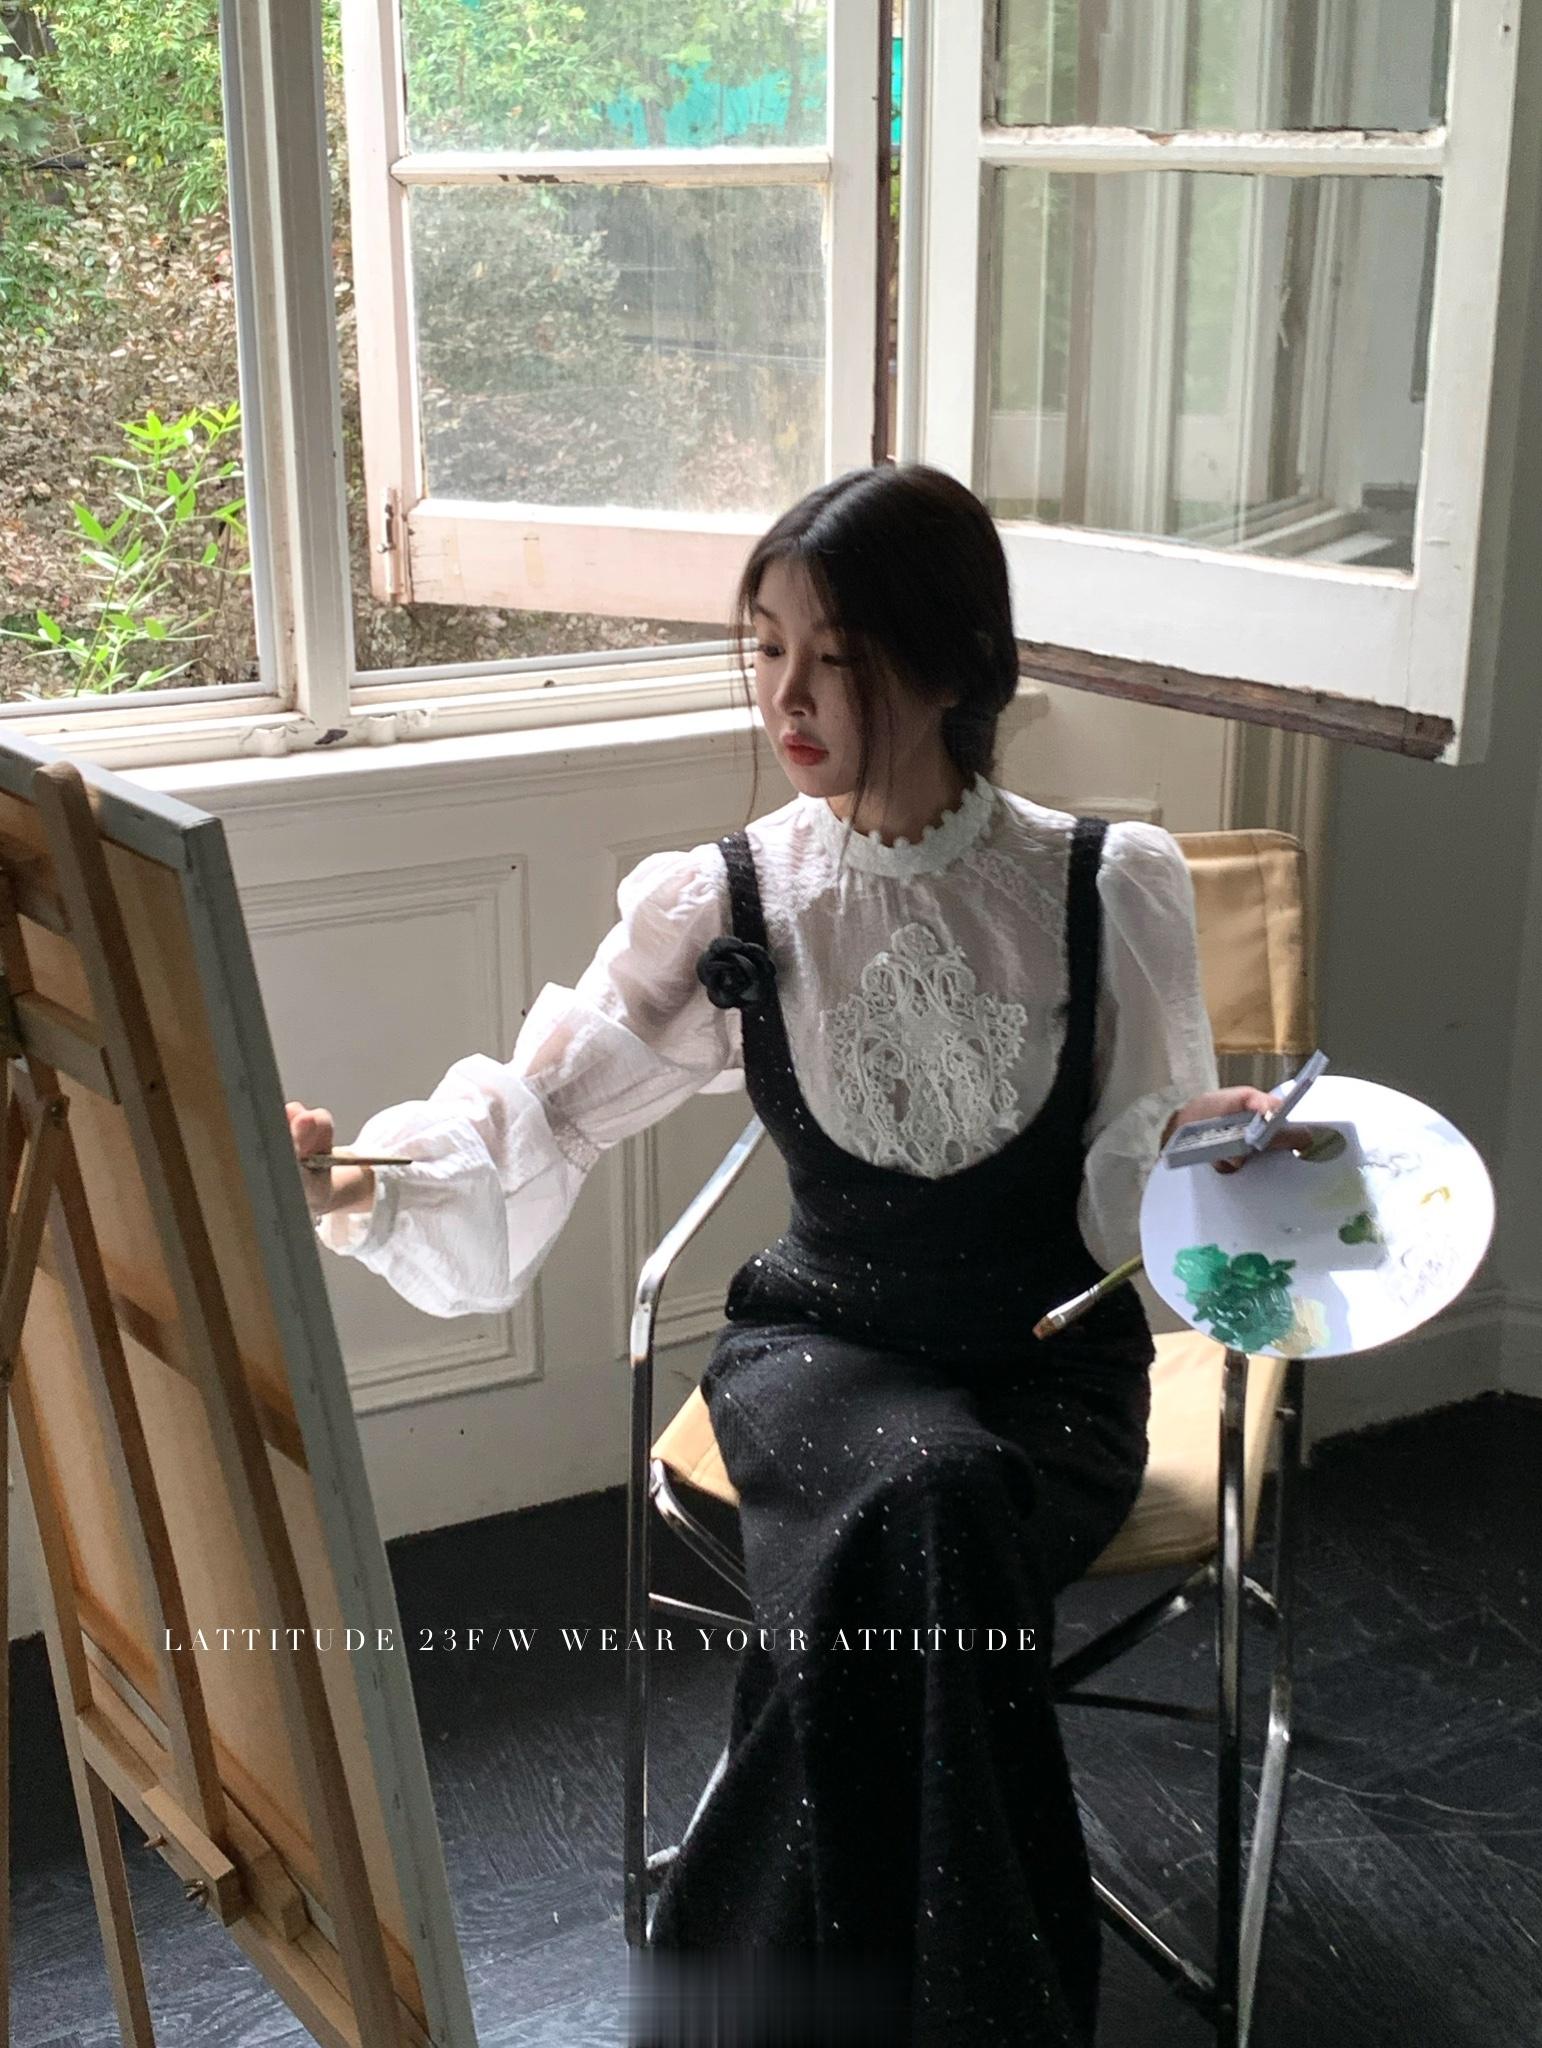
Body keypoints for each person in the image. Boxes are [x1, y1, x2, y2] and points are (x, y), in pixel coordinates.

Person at [288, 463, 1305, 2046]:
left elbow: (1131, 1177)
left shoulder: (1105, 884)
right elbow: (546, 1107)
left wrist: (1203, 1152)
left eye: (839, 657)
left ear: (956, 664)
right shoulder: (731, 898)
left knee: (923, 1514)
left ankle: (738, 1994)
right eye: (764, 649)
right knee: (925, 1499)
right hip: (821, 1353)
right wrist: (353, 1173)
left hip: (1049, 1378)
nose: (788, 696)